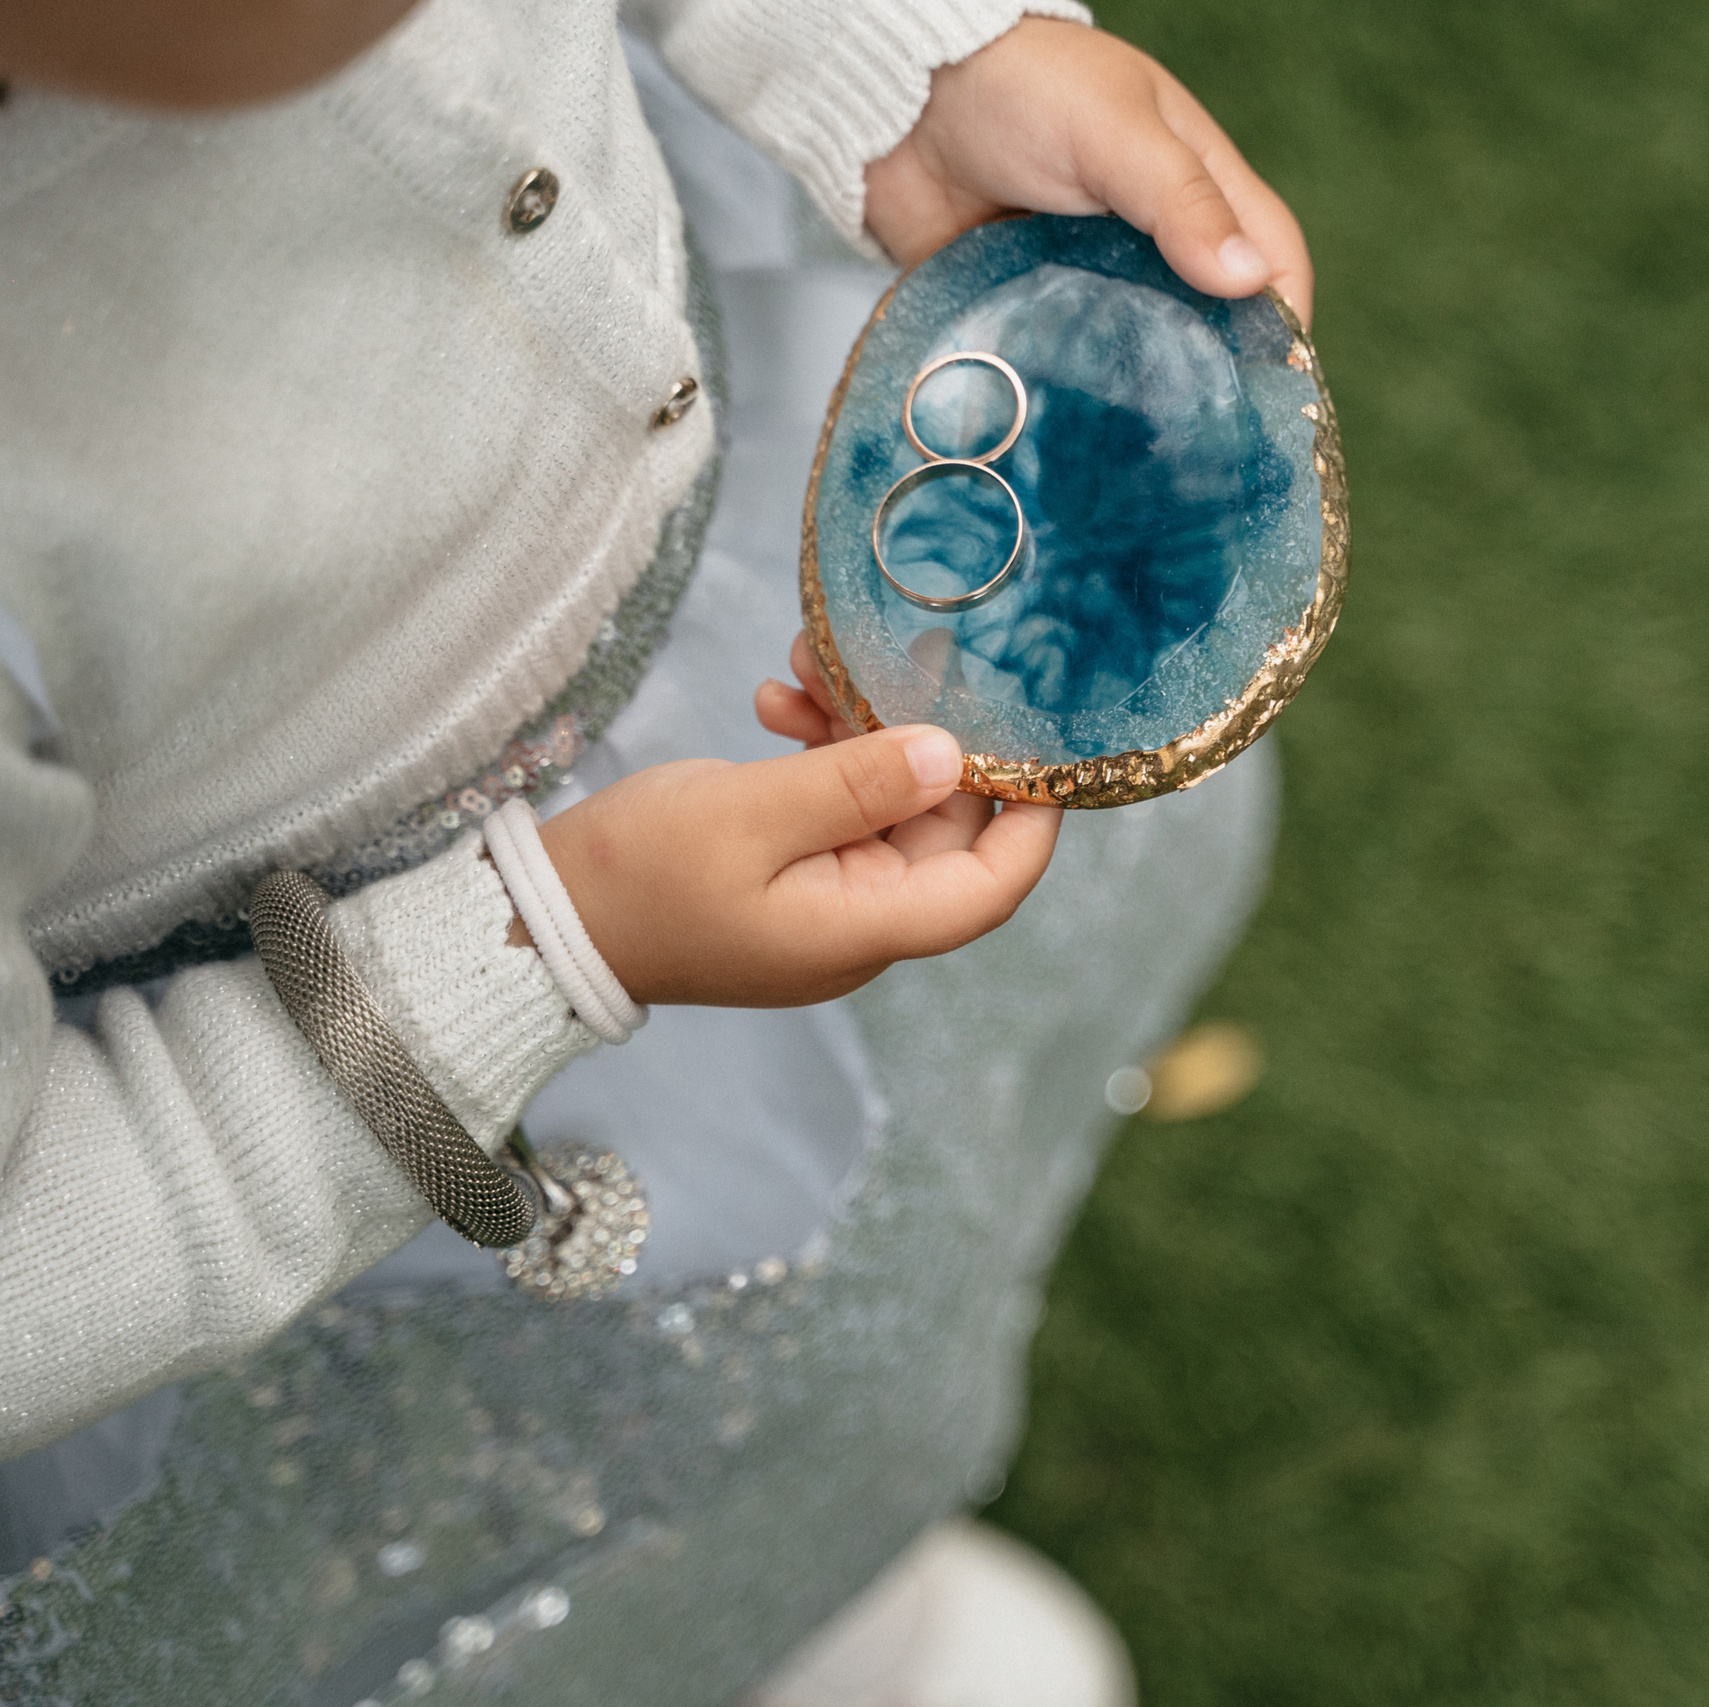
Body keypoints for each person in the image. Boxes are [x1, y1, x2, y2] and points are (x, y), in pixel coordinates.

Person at [0, 0, 1310, 1698]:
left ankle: (809, 1590)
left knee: (802, 1379)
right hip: (332, 1054)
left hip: (695, 571)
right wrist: (553, 947)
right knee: (490, 1490)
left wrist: (899, 57)